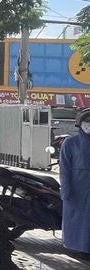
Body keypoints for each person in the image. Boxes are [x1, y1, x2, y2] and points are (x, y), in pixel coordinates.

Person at [59, 108, 90, 260]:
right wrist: (66, 190)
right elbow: (64, 169)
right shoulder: (70, 143)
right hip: (77, 189)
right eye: (87, 121)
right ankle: (77, 248)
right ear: (80, 123)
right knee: (77, 220)